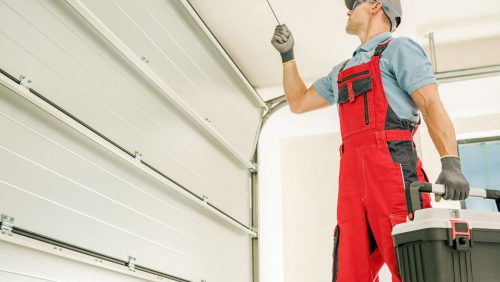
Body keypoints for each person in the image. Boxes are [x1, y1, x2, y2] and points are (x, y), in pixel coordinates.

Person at [271, 0, 470, 281]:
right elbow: (298, 102)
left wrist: (451, 163)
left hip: (393, 169)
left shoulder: (399, 49)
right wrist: (287, 56)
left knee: (413, 267)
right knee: (350, 273)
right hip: (351, 179)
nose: (348, 10)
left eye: (354, 4)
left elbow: (430, 104)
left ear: (376, 5)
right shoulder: (341, 71)